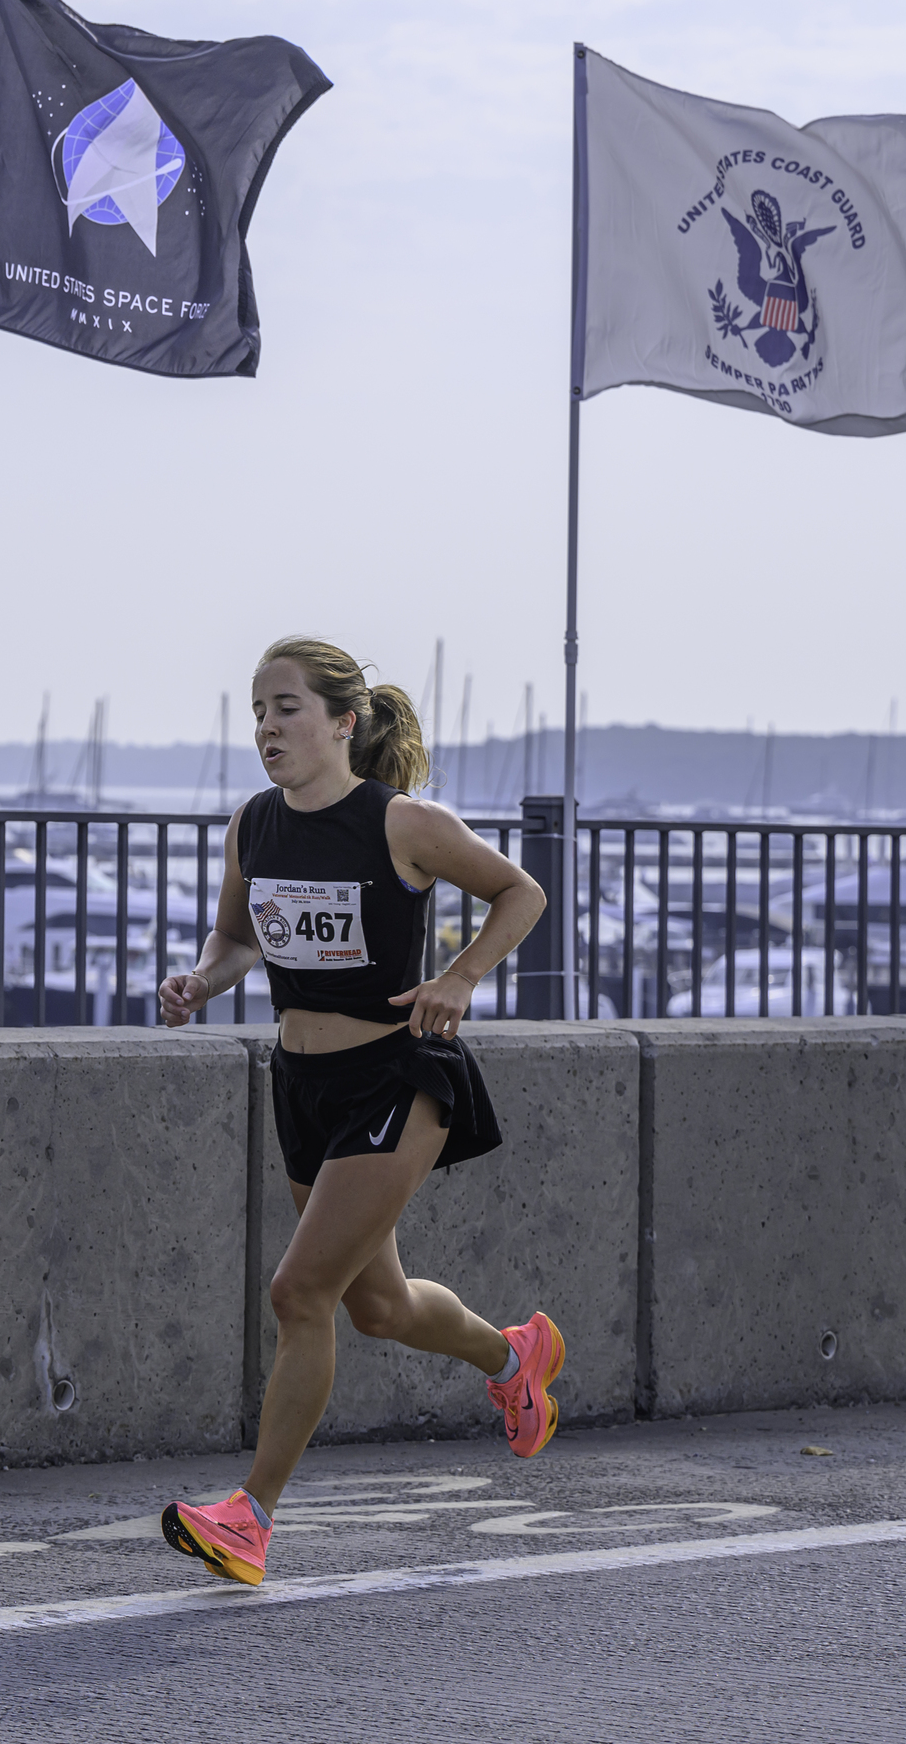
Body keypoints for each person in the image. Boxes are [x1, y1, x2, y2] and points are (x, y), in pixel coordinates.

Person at [157, 636, 562, 1587]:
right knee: (377, 1305)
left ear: (343, 721)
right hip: (301, 1090)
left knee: (300, 1293)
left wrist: (460, 977)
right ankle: (513, 1357)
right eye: (257, 711)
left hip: (395, 1078)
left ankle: (250, 1517)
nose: (266, 728)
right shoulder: (254, 825)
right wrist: (200, 982)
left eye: (286, 708)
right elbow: (236, 938)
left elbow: (522, 891)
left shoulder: (403, 823)